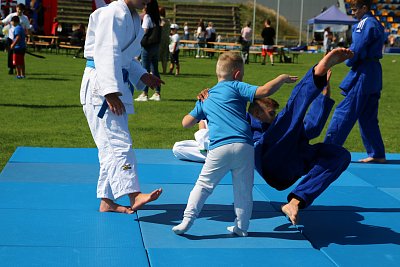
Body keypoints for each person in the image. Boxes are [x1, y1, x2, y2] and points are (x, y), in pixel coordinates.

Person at [172, 51, 298, 237]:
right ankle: (241, 227)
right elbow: (264, 91)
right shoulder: (237, 87)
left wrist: (199, 105)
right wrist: (282, 78)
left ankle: (187, 220)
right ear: (237, 74)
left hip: (219, 149)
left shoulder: (206, 97)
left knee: (204, 186)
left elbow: (185, 123)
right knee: (244, 190)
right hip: (244, 147)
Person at [252, 48, 354, 225]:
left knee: (339, 155)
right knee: (290, 115)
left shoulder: (282, 129)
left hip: (291, 166)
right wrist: (206, 101)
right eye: (270, 113)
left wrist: (324, 95)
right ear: (256, 113)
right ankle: (317, 73)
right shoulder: (247, 122)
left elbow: (312, 128)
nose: (273, 115)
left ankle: (295, 201)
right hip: (269, 160)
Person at [80, 0, 163, 214]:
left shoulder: (133, 17)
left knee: (111, 146)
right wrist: (109, 90)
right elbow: (105, 53)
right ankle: (133, 195)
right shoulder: (112, 14)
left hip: (115, 84)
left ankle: (107, 201)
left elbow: (124, 58)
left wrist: (142, 75)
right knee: (118, 142)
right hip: (102, 87)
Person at [324, 0, 386, 164]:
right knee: (368, 116)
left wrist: (348, 61)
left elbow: (356, 48)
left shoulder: (364, 23)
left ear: (364, 8)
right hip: (374, 73)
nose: (353, 13)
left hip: (363, 73)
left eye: (355, 9)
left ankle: (328, 150)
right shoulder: (376, 23)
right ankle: (377, 153)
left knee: (344, 112)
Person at [135, 0, 162, 102]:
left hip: (147, 46)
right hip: (155, 46)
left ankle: (144, 93)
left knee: (144, 70)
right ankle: (157, 93)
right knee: (155, 69)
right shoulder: (157, 18)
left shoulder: (147, 17)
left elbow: (144, 31)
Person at [0, 3, 30, 75]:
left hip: (20, 39)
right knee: (11, 54)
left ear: (23, 10)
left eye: (21, 10)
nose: (19, 11)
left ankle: (19, 70)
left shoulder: (25, 18)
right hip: (10, 38)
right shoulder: (11, 16)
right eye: (18, 9)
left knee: (19, 55)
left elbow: (28, 29)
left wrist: (29, 38)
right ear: (16, 8)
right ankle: (11, 68)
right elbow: (3, 21)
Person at [158, 6, 170, 74]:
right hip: (166, 40)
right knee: (164, 57)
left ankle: (153, 70)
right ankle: (164, 70)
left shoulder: (159, 20)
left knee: (156, 55)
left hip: (159, 40)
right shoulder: (167, 21)